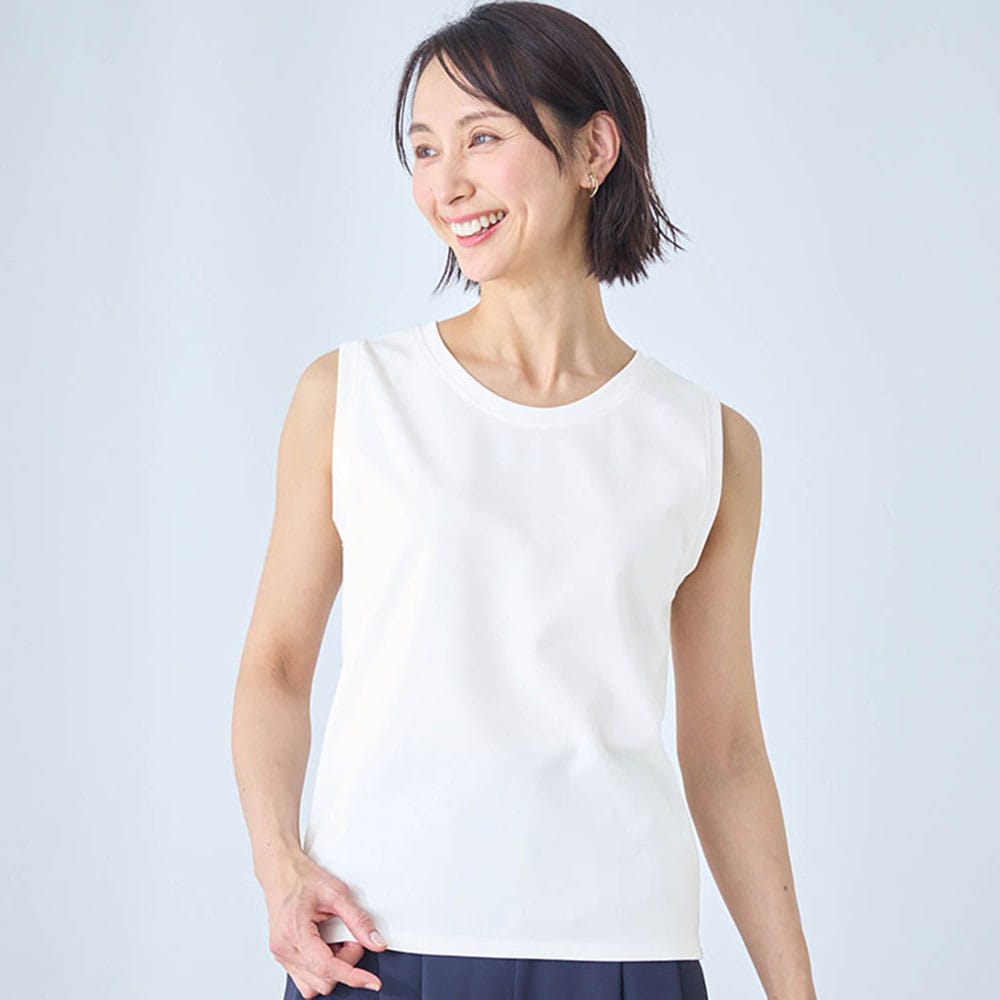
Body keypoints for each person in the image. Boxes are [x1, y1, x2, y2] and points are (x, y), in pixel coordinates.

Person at [231, 3, 817, 999]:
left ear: (593, 149)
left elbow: (724, 752)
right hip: (381, 944)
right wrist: (278, 863)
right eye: (424, 149)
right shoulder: (351, 396)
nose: (445, 183)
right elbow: (277, 668)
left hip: (624, 950)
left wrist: (795, 991)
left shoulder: (707, 442)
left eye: (482, 138)